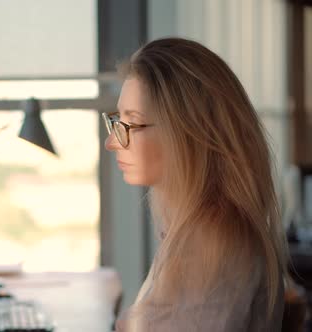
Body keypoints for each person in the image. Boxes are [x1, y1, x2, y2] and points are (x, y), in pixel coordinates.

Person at [104, 38, 287, 331]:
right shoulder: (195, 230)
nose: (112, 142)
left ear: (187, 132)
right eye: (116, 121)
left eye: (131, 123)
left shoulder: (212, 242)